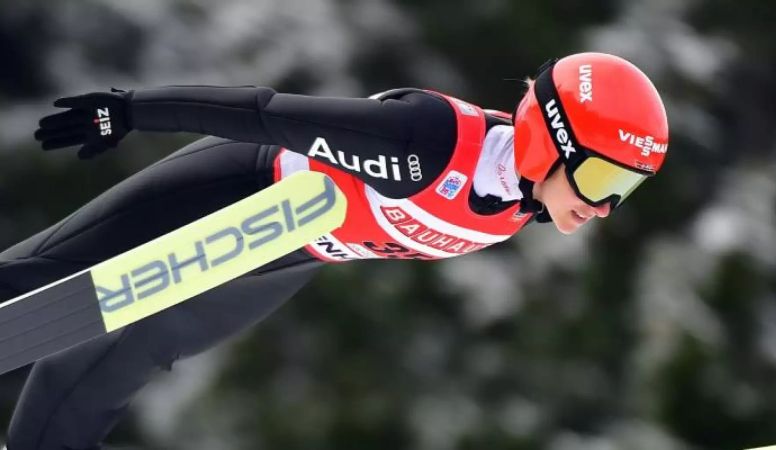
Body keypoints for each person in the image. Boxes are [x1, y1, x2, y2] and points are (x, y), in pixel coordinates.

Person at [0, 52, 668, 450]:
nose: (604, 207)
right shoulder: (426, 143)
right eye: (601, 179)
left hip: (283, 257)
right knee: (45, 278)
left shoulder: (534, 202)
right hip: (244, 186)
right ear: (549, 141)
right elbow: (264, 111)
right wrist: (130, 110)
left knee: (117, 361)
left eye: (625, 190)